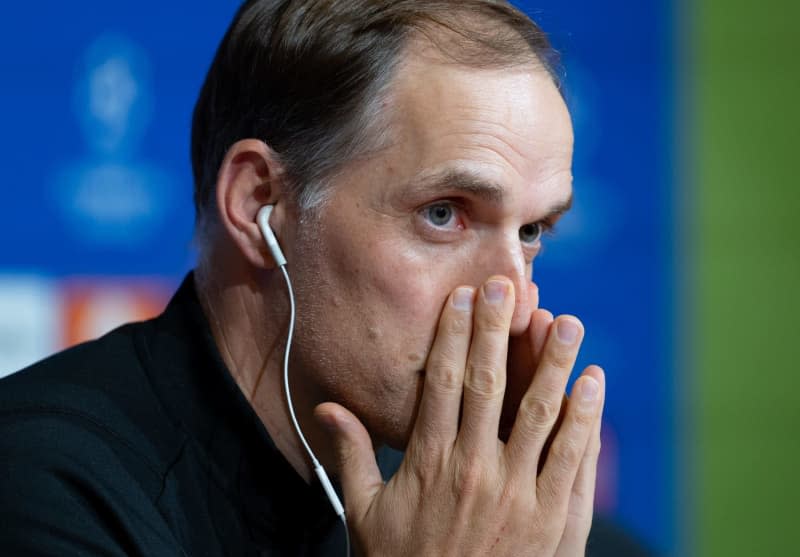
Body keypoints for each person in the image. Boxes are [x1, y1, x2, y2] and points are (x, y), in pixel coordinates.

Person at [0, 1, 648, 555]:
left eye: (531, 232)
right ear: (261, 206)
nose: (510, 302)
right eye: (444, 214)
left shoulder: (527, 529)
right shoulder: (42, 488)